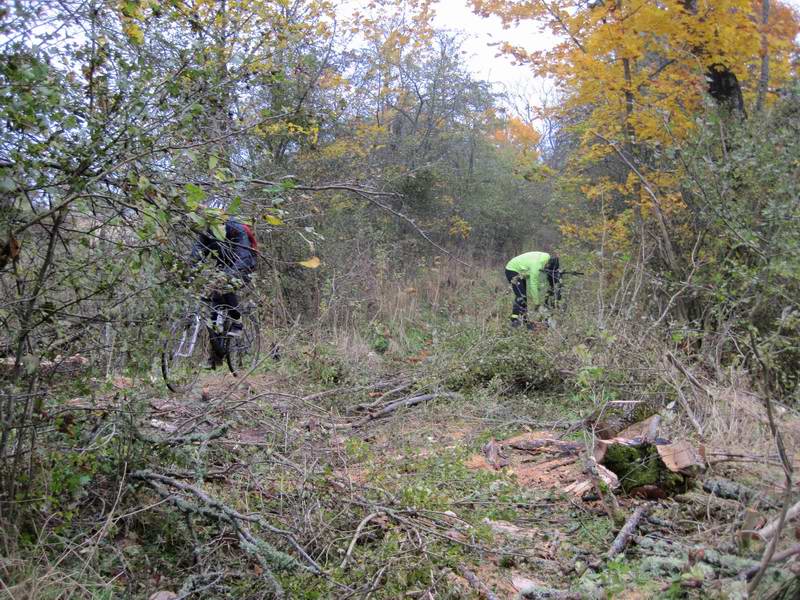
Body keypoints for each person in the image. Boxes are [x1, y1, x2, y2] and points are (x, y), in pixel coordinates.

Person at [190, 209, 258, 366]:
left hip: (245, 265)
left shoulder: (236, 228)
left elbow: (244, 255)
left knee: (225, 288)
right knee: (215, 308)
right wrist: (188, 271)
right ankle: (217, 356)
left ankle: (237, 321)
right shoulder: (207, 231)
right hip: (224, 267)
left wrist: (227, 276)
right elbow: (197, 253)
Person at [504, 251, 560, 328]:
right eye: (547, 267)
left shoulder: (547, 257)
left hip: (521, 271)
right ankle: (514, 320)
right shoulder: (536, 266)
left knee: (524, 297)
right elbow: (533, 284)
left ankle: (525, 320)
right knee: (521, 296)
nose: (546, 269)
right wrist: (536, 302)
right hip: (512, 270)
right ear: (548, 264)